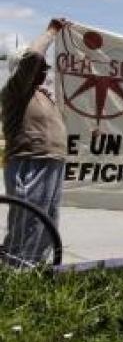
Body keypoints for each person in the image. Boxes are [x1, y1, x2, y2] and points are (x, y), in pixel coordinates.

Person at [1, 18, 68, 264]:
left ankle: (35, 269)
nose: (45, 70)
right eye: (42, 68)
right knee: (28, 222)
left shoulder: (43, 94)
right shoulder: (16, 90)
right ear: (22, 69)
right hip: (30, 161)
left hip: (51, 162)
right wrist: (51, 32)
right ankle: (15, 272)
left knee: (46, 222)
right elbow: (34, 59)